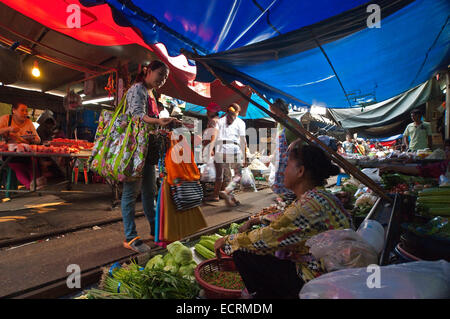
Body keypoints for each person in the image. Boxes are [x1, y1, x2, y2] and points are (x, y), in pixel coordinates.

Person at [214, 141, 352, 299]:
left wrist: (227, 240)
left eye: (287, 166)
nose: (282, 172)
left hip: (320, 281)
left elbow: (270, 236)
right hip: (334, 271)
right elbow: (285, 220)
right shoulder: (319, 196)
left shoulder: (307, 206)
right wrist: (256, 220)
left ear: (300, 171)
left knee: (242, 251)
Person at [120, 60, 180, 253]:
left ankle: (156, 231)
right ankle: (130, 237)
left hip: (146, 150)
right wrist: (158, 121)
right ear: (148, 70)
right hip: (134, 151)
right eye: (160, 75)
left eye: (165, 78)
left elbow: (149, 122)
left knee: (149, 191)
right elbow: (137, 116)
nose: (162, 80)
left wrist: (165, 124)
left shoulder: (150, 93)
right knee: (130, 193)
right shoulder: (138, 89)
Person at [207, 103, 247, 206]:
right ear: (237, 112)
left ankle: (231, 199)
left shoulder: (219, 121)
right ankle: (227, 191)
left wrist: (211, 149)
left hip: (220, 151)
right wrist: (245, 157)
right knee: (238, 175)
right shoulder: (241, 122)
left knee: (227, 176)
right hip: (233, 150)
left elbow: (214, 137)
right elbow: (243, 141)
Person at [0, 102, 46, 190]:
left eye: (26, 111)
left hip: (26, 151)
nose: (25, 113)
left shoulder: (28, 122)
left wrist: (32, 139)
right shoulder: (6, 119)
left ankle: (34, 183)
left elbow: (38, 139)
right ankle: (31, 186)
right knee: (18, 166)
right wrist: (9, 129)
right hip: (9, 152)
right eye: (22, 110)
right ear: (14, 111)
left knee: (34, 161)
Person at [271, 98, 301, 203]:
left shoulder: (293, 121)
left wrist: (295, 142)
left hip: (296, 155)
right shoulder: (279, 125)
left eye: (274, 112)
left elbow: (304, 135)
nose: (273, 115)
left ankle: (294, 199)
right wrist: (274, 154)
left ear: (281, 111)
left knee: (293, 178)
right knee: (283, 178)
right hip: (283, 157)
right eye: (272, 113)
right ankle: (285, 199)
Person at [381, 139, 450, 179]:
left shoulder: (443, 165)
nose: (446, 153)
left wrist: (394, 167)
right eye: (446, 150)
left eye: (448, 150)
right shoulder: (444, 164)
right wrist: (394, 167)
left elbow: (420, 169)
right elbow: (421, 169)